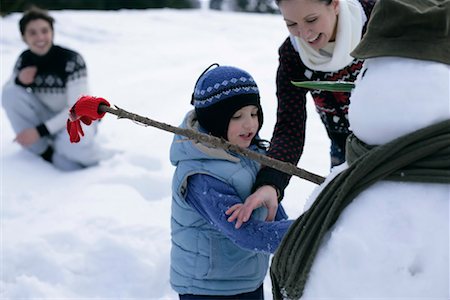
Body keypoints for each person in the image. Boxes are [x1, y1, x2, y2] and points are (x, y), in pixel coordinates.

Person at [228, 0, 377, 228]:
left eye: (311, 20)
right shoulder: (293, 55)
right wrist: (271, 183)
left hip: (397, 141)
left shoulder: (378, 19)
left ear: (334, 4)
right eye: (291, 24)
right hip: (344, 148)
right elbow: (289, 128)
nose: (304, 33)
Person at [170, 64, 293, 299]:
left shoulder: (247, 153)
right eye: (237, 117)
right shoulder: (201, 175)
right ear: (215, 121)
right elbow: (246, 233)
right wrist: (308, 233)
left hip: (247, 278)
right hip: (208, 289)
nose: (250, 125)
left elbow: (272, 213)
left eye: (254, 113)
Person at [1, 6, 104, 171]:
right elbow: (7, 93)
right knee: (10, 93)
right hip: (47, 115)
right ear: (23, 37)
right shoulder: (24, 59)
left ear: (52, 32)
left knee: (74, 145)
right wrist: (20, 80)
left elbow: (76, 108)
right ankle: (45, 152)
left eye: (44, 30)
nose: (40, 37)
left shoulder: (71, 60)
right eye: (32, 33)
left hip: (78, 117)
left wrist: (40, 131)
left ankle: (98, 165)